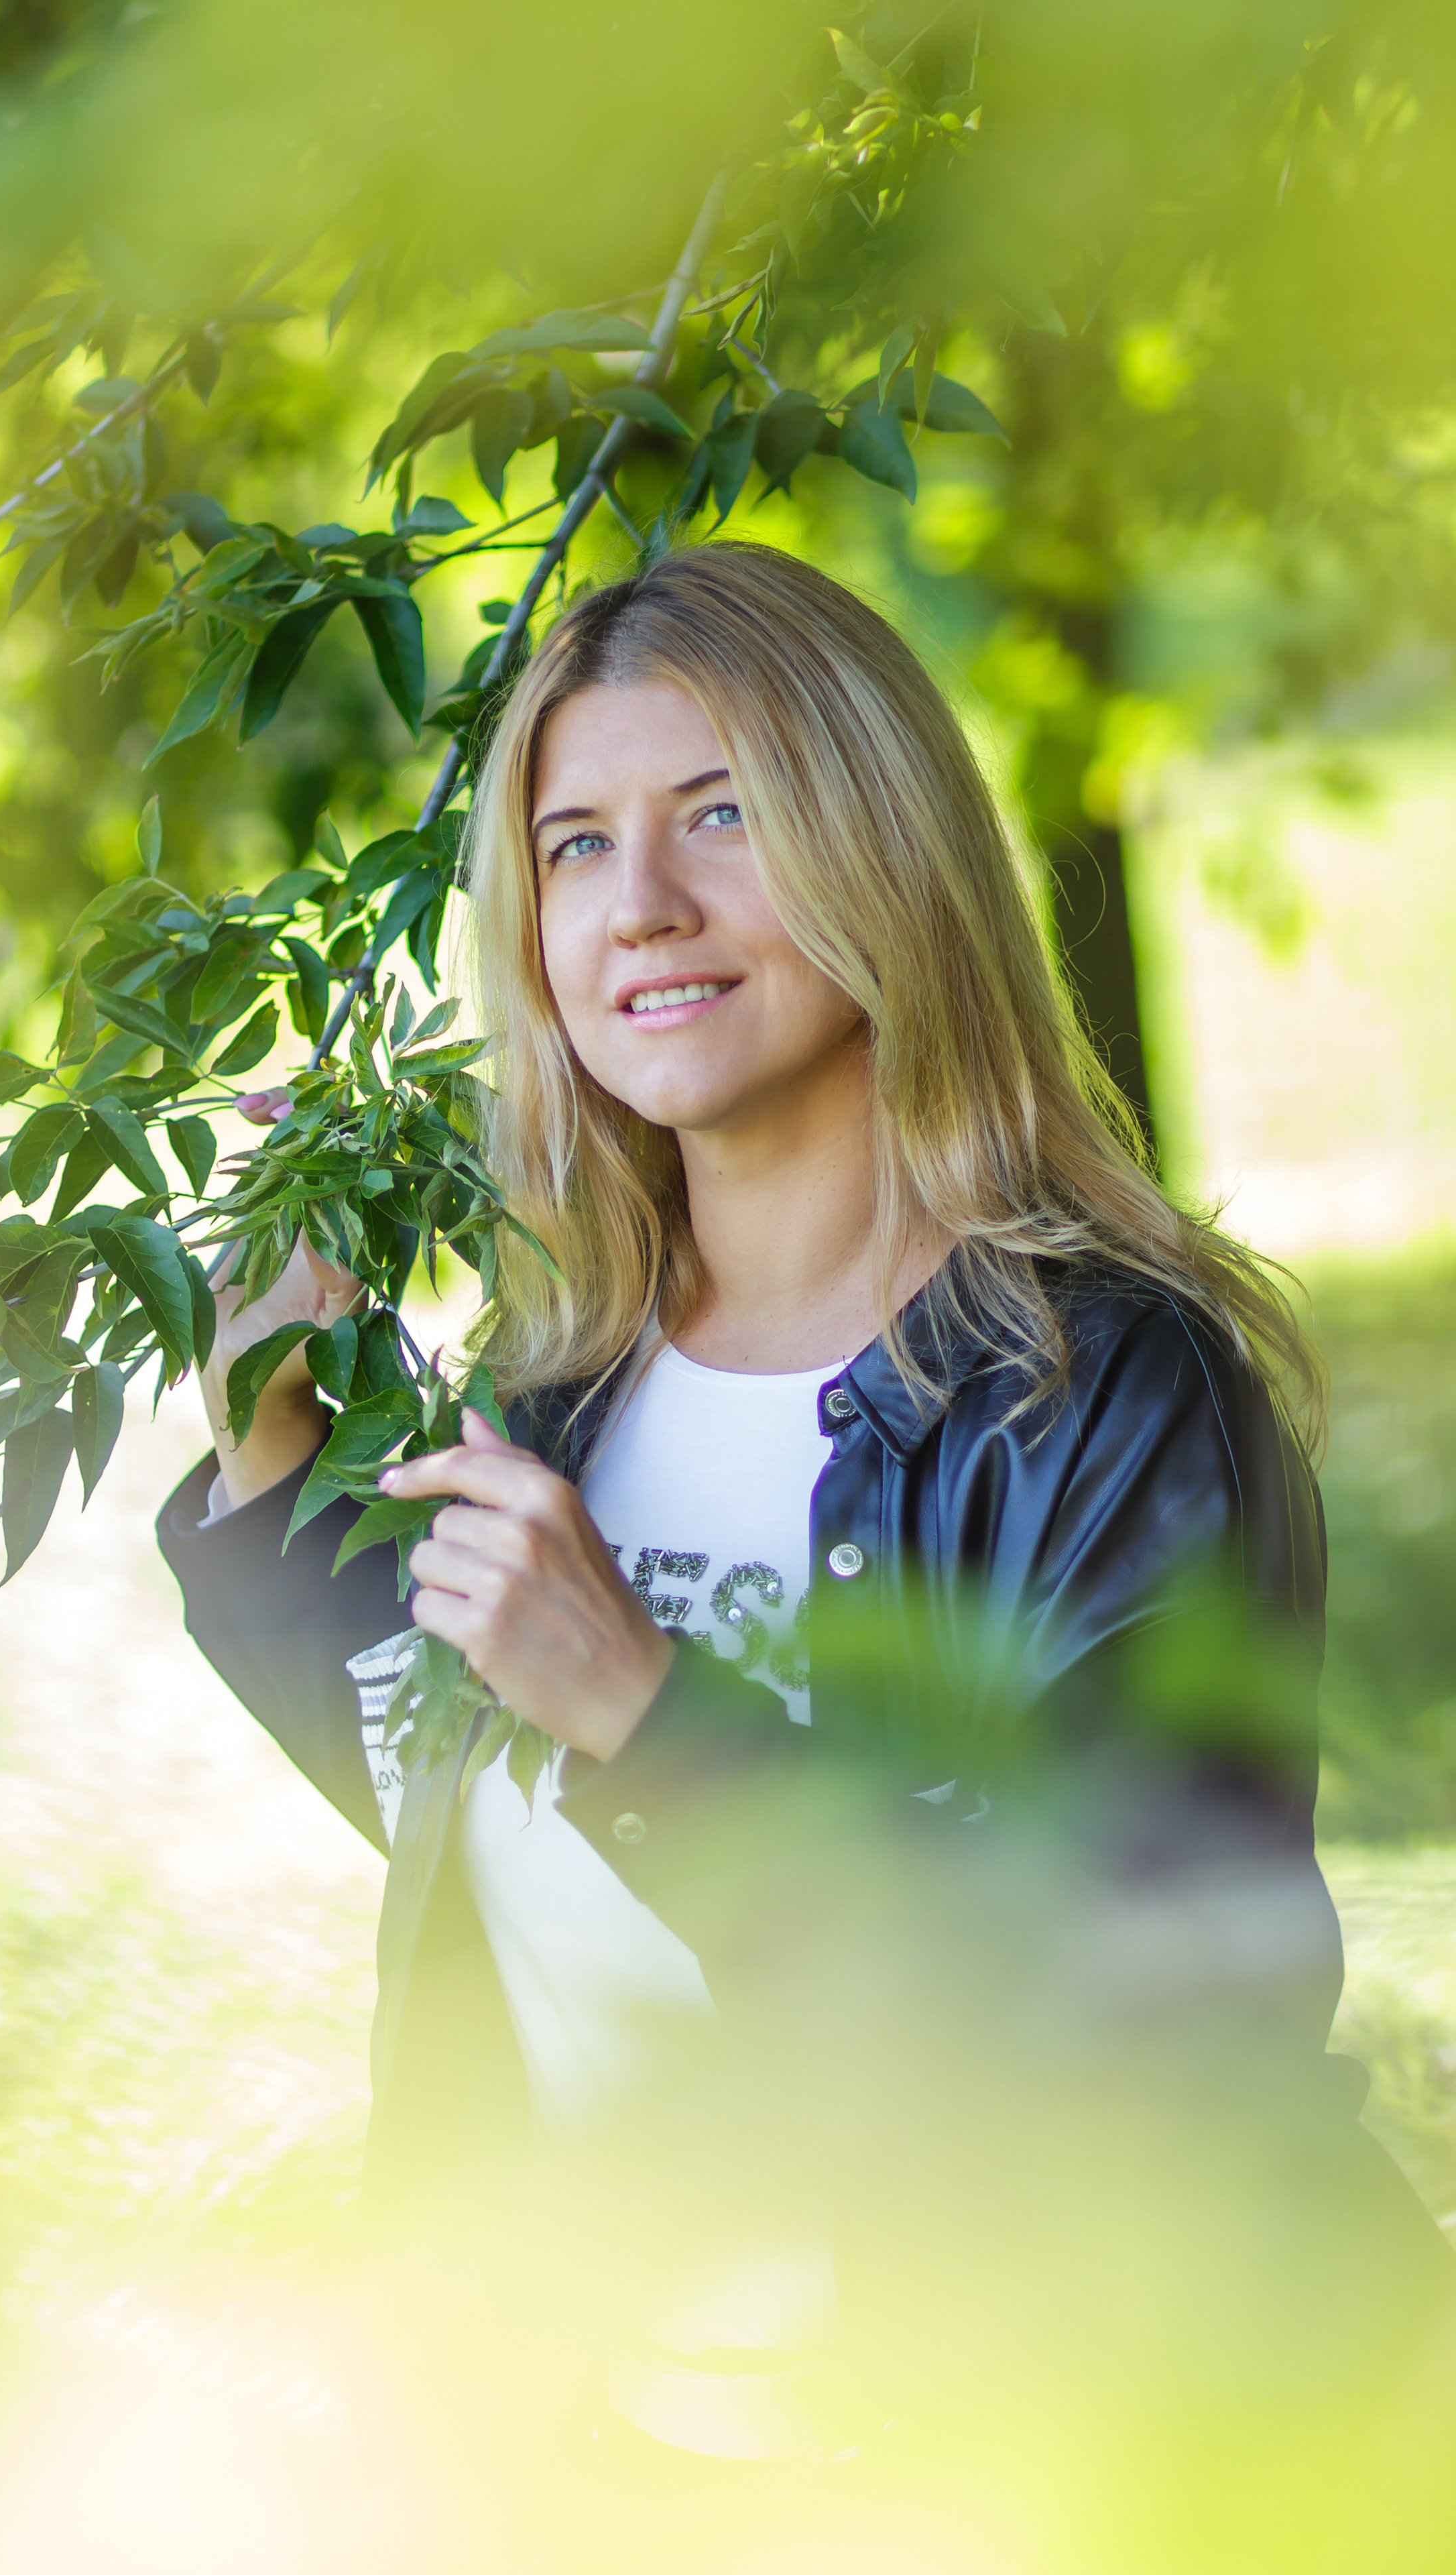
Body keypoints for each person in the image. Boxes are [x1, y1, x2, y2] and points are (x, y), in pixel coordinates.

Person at [157, 543, 1451, 2462]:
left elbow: (1143, 2041)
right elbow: (498, 1838)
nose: (645, 905)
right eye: (578, 844)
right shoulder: (563, 1384)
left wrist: (650, 1715)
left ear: (883, 849)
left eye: (723, 814)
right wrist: (275, 1444)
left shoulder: (1106, 1396)